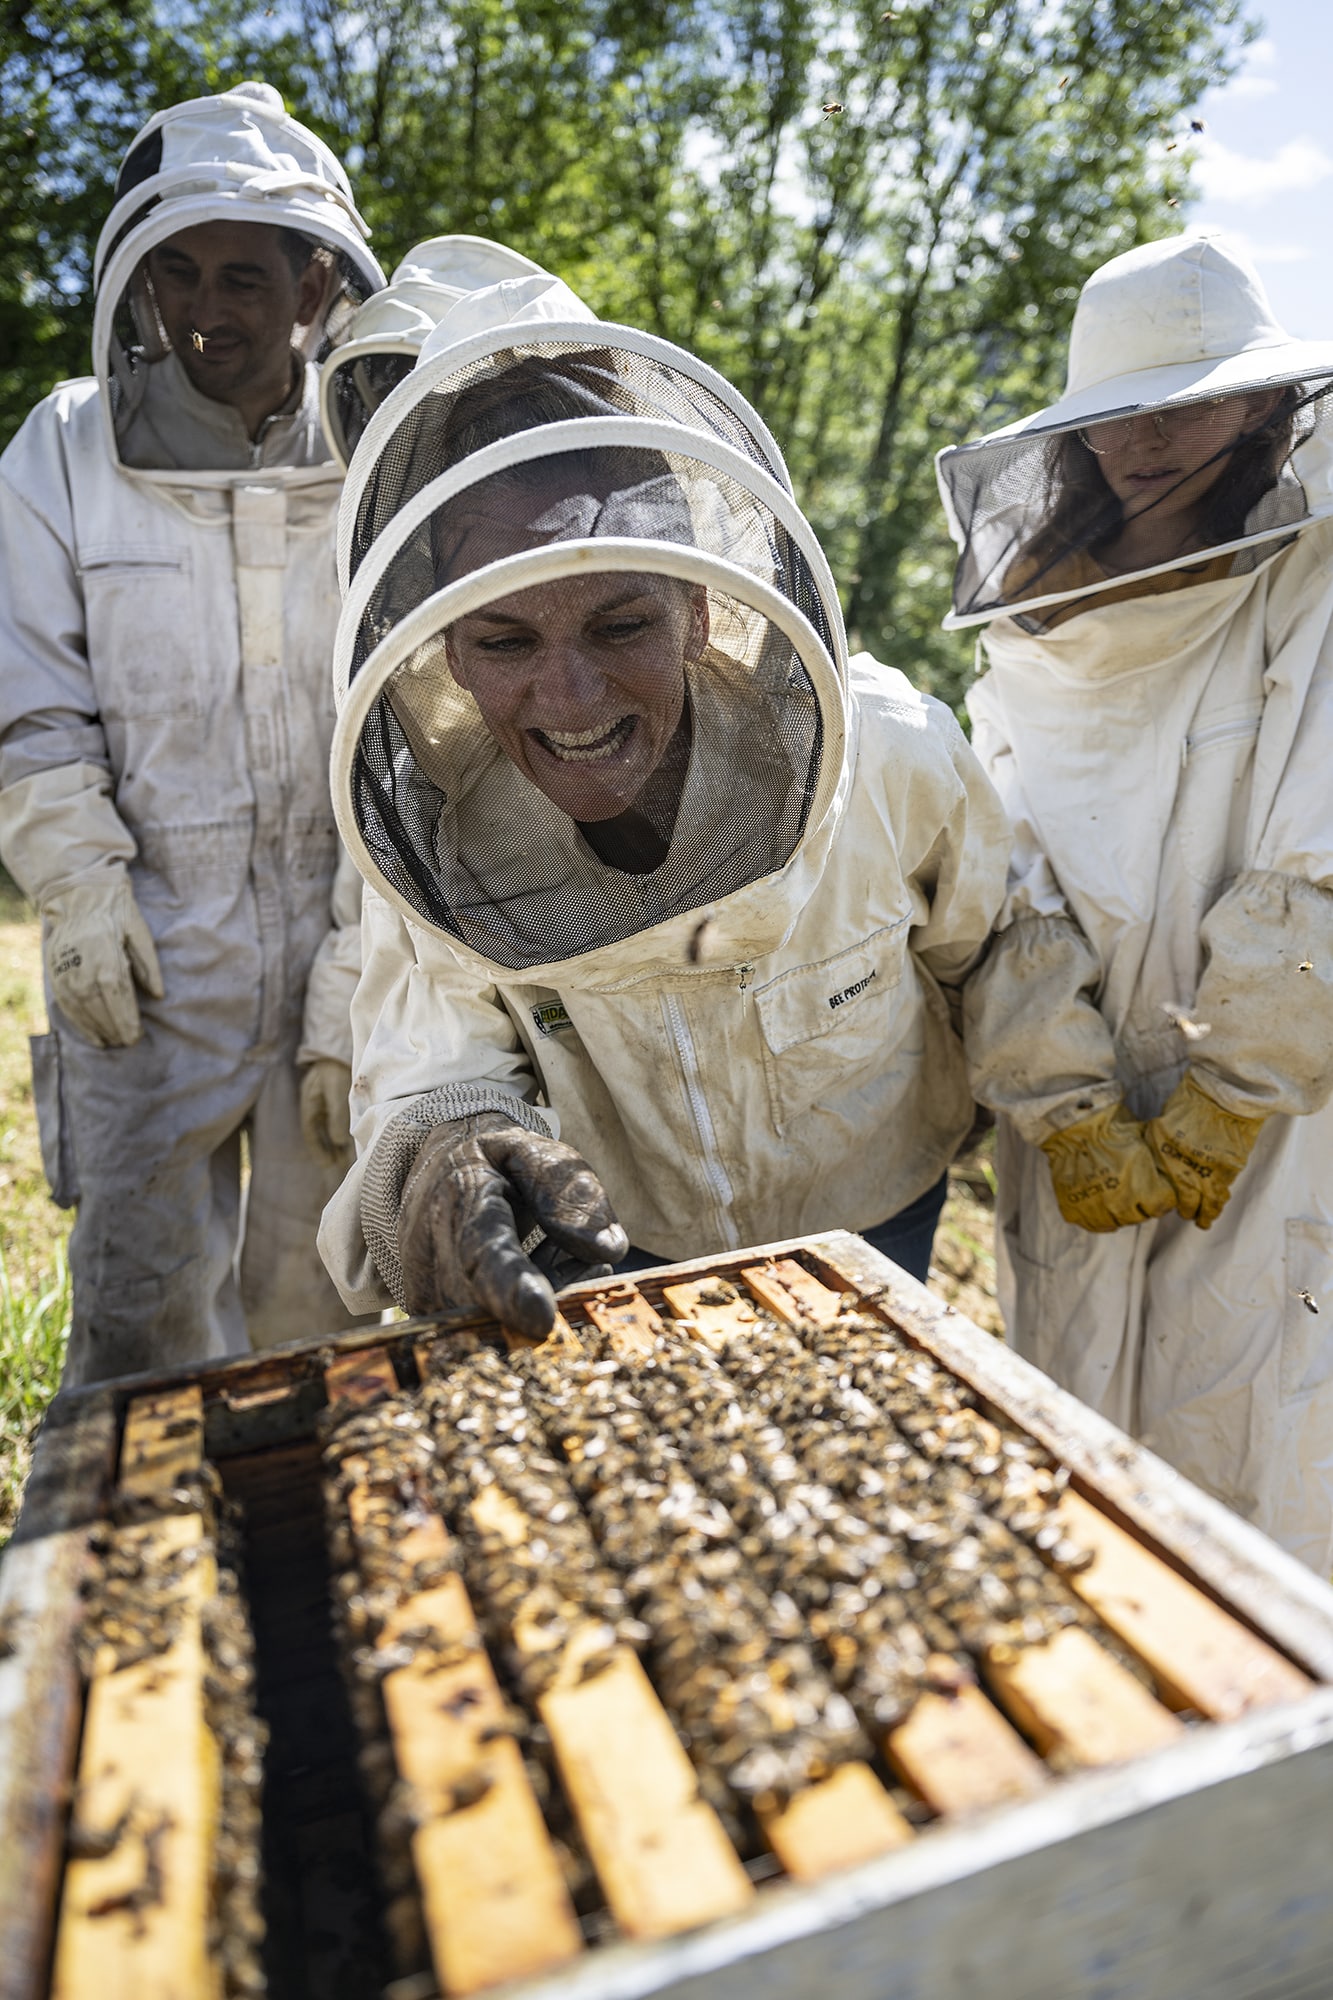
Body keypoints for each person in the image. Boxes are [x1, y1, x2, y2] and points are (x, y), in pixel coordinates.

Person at [316, 272, 1012, 1338]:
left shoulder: (889, 750)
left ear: (699, 607)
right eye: (506, 640)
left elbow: (988, 947)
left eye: (620, 624)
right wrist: (448, 1154)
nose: (572, 697)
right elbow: (432, 1055)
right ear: (447, 652)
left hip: (878, 1207)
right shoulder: (437, 840)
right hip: (629, 1245)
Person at [936, 230, 1333, 1571]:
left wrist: (1238, 1087)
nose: (1151, 441)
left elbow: (1318, 837)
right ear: (1079, 432)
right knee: (1083, 1464)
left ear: (1274, 404)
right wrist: (1063, 1091)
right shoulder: (1024, 625)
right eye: (1123, 414)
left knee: (1266, 1449)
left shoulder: (1313, 581)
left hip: (1280, 1119)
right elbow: (995, 854)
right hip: (1081, 1115)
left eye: (1196, 398)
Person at [0, 82, 386, 1383]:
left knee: (324, 1302)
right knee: (142, 1314)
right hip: (151, 953)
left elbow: (415, 728)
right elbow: (30, 696)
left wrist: (360, 967)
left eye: (239, 278)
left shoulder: (377, 449)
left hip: (343, 936)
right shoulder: (62, 446)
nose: (205, 313)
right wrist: (78, 882)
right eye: (176, 276)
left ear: (316, 285)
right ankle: (136, 1576)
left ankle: (297, 1568)